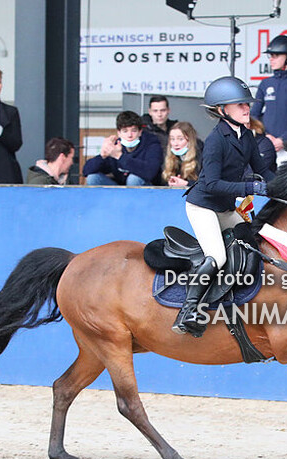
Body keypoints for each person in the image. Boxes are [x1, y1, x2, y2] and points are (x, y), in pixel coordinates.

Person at [174, 76, 274, 337]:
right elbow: (211, 185)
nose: (246, 108)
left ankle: (233, 298)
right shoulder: (216, 141)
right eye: (239, 104)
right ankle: (188, 311)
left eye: (246, 104)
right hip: (203, 207)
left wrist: (284, 189)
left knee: (250, 242)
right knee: (217, 256)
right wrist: (249, 189)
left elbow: (263, 169)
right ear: (222, 110)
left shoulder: (247, 136)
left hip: (226, 208)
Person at [83, 111, 161, 186]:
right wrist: (102, 155)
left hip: (147, 190)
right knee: (92, 178)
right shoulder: (115, 146)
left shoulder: (152, 144)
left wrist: (119, 157)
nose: (129, 135)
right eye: (125, 131)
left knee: (133, 179)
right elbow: (86, 171)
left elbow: (150, 172)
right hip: (120, 190)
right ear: (119, 133)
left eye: (134, 131)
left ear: (140, 132)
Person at [160, 122, 200, 188]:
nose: (175, 144)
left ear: (190, 140)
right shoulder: (168, 157)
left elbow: (206, 185)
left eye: (180, 139)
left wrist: (187, 184)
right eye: (172, 139)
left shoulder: (202, 156)